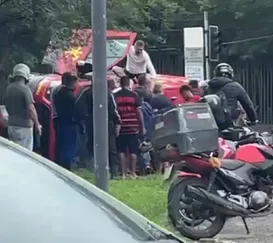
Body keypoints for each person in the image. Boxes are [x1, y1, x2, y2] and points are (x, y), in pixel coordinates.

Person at [82, 80, 121, 179]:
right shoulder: (108, 93)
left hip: (92, 123)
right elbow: (113, 110)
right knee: (111, 147)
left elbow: (79, 106)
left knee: (93, 145)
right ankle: (114, 172)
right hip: (107, 123)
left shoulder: (87, 92)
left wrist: (85, 118)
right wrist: (118, 122)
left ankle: (92, 170)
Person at [114, 76, 145, 179]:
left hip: (120, 126)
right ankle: (132, 173)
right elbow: (139, 112)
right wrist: (142, 126)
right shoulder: (134, 95)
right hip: (133, 126)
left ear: (120, 84)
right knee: (133, 150)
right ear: (129, 84)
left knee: (121, 150)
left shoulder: (115, 96)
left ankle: (123, 174)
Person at [5, 63, 41, 150]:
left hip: (11, 125)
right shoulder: (25, 89)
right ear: (26, 75)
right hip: (24, 127)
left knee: (14, 151)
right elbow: (31, 108)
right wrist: (37, 124)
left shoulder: (9, 88)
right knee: (25, 153)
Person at [53, 72, 79, 170]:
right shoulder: (70, 95)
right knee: (69, 146)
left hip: (61, 121)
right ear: (72, 83)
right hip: (69, 123)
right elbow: (75, 109)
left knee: (62, 145)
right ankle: (67, 166)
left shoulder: (58, 92)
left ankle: (62, 165)